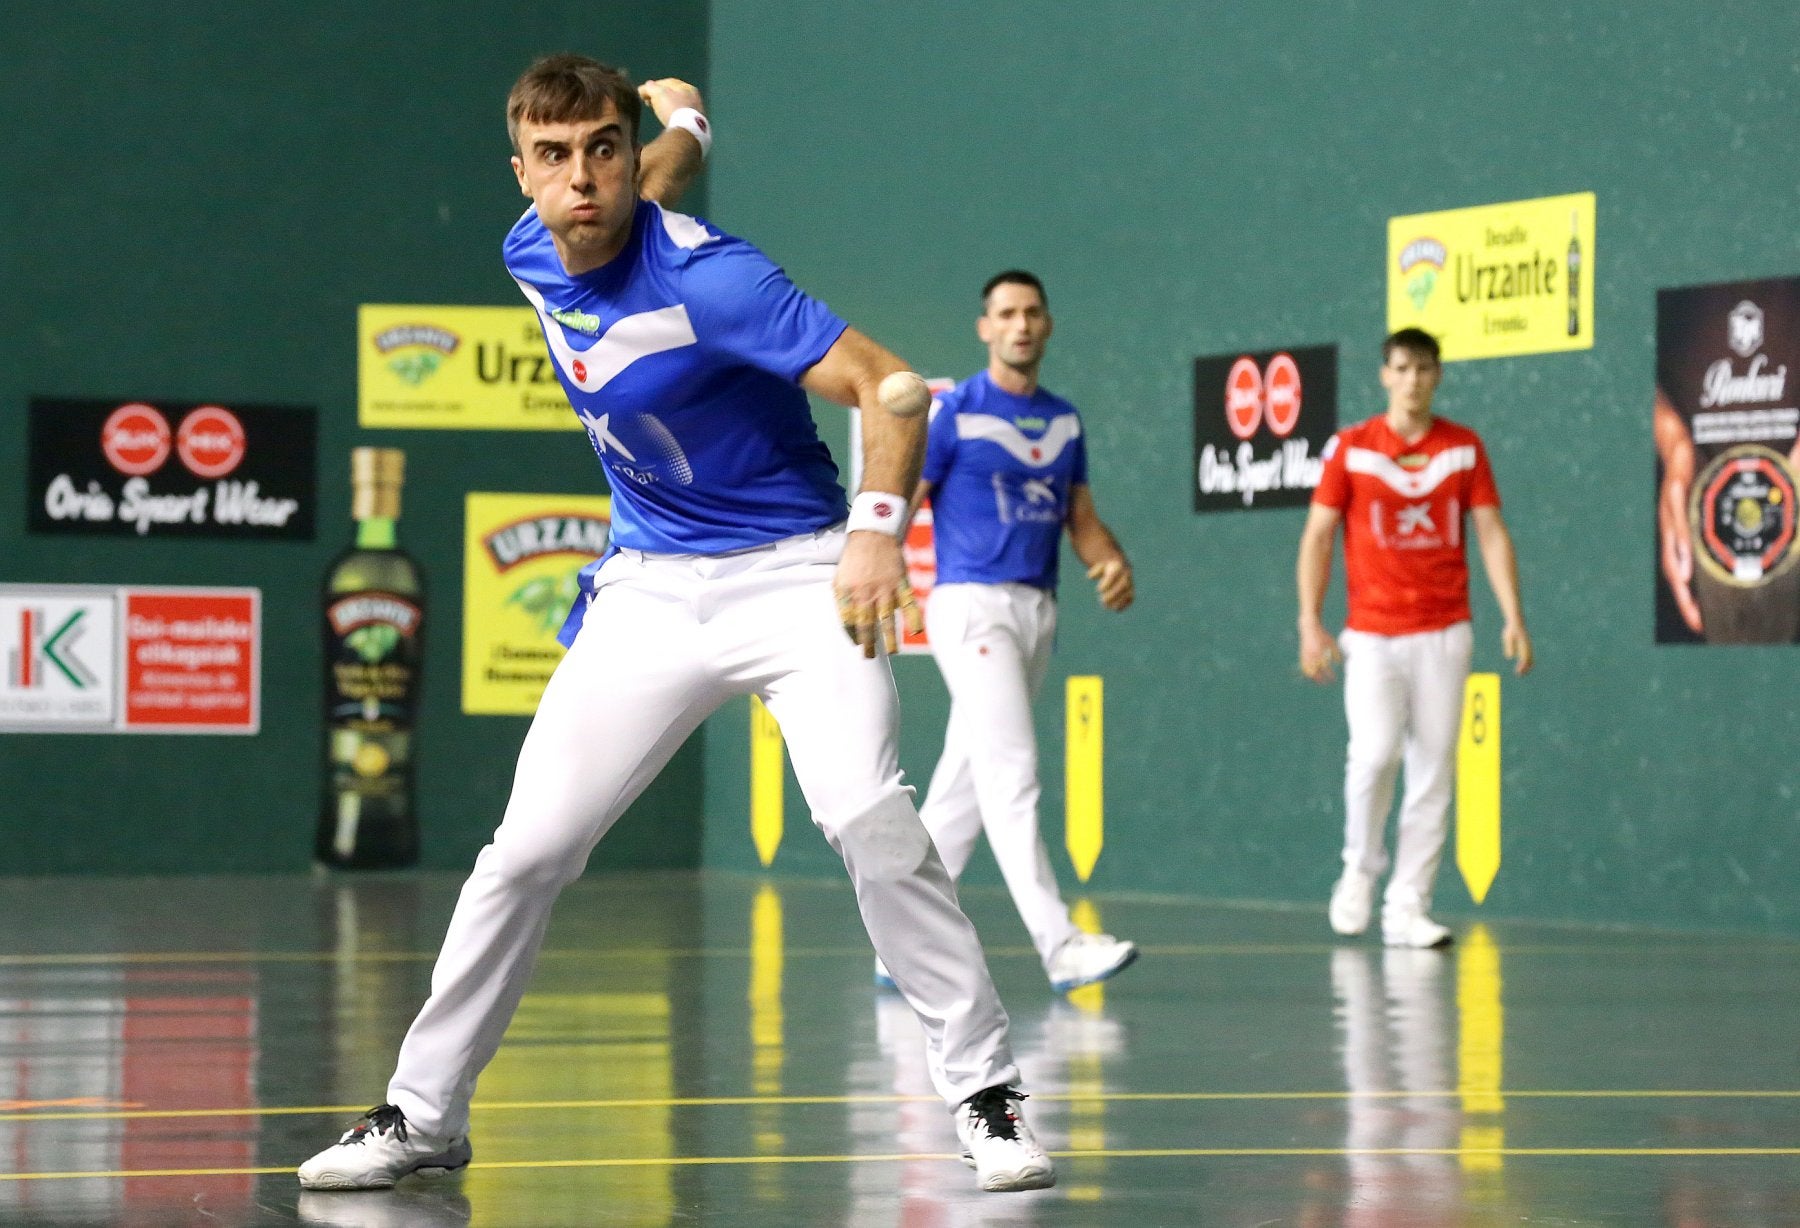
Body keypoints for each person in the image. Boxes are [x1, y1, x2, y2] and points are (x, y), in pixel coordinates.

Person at [299, 55, 1052, 1196]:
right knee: (528, 851)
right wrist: (687, 121)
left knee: (866, 813)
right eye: (553, 160)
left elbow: (892, 385)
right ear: (524, 173)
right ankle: (421, 1111)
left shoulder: (718, 279)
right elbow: (664, 162)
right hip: (650, 587)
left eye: (604, 149)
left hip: (800, 576)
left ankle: (986, 1094)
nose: (584, 180)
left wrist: (877, 529)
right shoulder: (530, 243)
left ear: (617, 153)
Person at [873, 270, 1138, 995]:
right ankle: (1061, 947)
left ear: (1047, 325)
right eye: (1006, 314)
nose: (1020, 325)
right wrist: (881, 557)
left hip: (1037, 612)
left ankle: (899, 939)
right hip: (971, 607)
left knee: (965, 784)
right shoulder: (955, 413)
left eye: (1031, 313)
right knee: (1012, 774)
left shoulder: (1064, 421)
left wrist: (1110, 560)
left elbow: (1079, 521)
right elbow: (906, 495)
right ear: (985, 329)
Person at [1296, 327, 1532, 948]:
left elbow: (1490, 533)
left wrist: (1513, 615)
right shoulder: (1351, 449)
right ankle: (1359, 867)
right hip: (1371, 635)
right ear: (1385, 375)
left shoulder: (1463, 449)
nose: (1413, 380)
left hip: (1444, 632)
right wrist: (1309, 621)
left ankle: (1408, 906)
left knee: (1434, 771)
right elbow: (1319, 536)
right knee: (1374, 755)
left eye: (1425, 369)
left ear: (1438, 375)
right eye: (1402, 368)